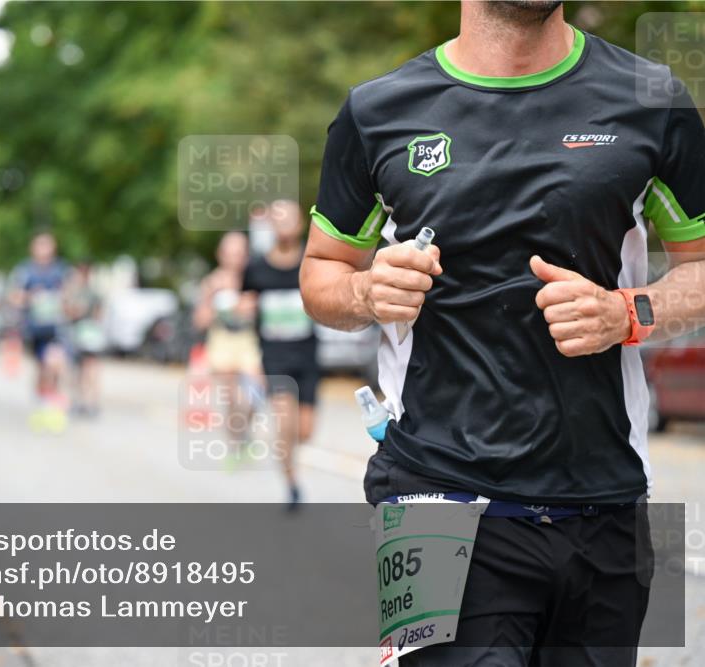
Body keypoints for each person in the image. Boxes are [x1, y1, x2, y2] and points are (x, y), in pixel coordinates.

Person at [300, 1, 705, 664]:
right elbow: (322, 275)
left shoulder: (653, 101)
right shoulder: (378, 111)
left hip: (605, 501)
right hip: (430, 491)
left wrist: (627, 313)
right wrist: (368, 291)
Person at [242, 200, 320, 511]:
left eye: (289, 218)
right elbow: (245, 306)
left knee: (304, 431)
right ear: (270, 226)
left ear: (301, 224)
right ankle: (292, 484)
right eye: (278, 219)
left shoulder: (312, 262)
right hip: (273, 358)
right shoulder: (256, 267)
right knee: (284, 425)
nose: (283, 224)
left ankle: (287, 455)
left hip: (308, 356)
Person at [193, 231, 263, 459]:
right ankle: (234, 444)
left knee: (256, 393)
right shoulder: (212, 283)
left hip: (248, 343)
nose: (234, 258)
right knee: (232, 398)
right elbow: (200, 320)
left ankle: (242, 432)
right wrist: (222, 306)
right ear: (220, 255)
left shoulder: (254, 279)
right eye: (230, 253)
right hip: (222, 343)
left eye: (239, 253)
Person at [10, 232, 72, 431]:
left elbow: (72, 294)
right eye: (39, 245)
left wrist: (62, 299)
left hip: (56, 328)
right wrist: (31, 297)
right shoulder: (25, 271)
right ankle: (42, 402)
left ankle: (53, 406)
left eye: (47, 245)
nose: (43, 250)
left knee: (55, 364)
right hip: (35, 330)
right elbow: (14, 296)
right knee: (42, 369)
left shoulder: (61, 270)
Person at [63, 261, 106, 417]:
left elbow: (98, 315)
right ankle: (79, 401)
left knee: (90, 369)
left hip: (88, 335)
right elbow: (67, 311)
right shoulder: (72, 292)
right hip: (76, 334)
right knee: (76, 371)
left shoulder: (93, 294)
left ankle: (90, 402)